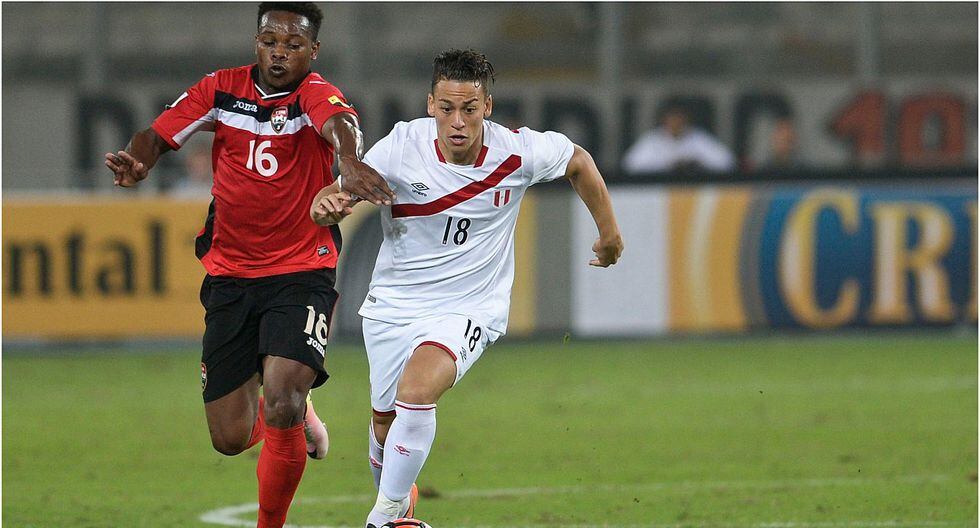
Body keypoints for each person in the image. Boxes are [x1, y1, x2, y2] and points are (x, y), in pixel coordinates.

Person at [103, 4, 394, 527]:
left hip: (302, 270)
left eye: (293, 45)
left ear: (313, 51)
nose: (279, 53)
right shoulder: (220, 89)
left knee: (282, 397)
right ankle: (294, 413)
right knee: (230, 437)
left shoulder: (314, 94)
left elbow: (341, 123)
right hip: (231, 275)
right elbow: (158, 133)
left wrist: (349, 162)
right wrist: (139, 157)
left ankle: (277, 474)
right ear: (256, 41)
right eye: (269, 41)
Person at [310, 48, 624, 527]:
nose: (458, 122)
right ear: (430, 105)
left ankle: (382, 518)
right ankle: (397, 503)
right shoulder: (400, 148)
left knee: (417, 391)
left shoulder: (516, 152)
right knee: (385, 425)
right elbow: (330, 199)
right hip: (394, 304)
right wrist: (325, 208)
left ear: (487, 107)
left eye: (470, 109)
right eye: (447, 108)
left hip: (470, 306)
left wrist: (610, 232)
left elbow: (578, 161)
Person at [621, 104, 735, 176]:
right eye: (672, 119)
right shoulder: (652, 140)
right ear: (664, 120)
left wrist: (697, 163)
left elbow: (727, 162)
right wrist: (667, 165)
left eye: (679, 119)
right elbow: (630, 165)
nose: (676, 123)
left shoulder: (698, 139)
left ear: (686, 120)